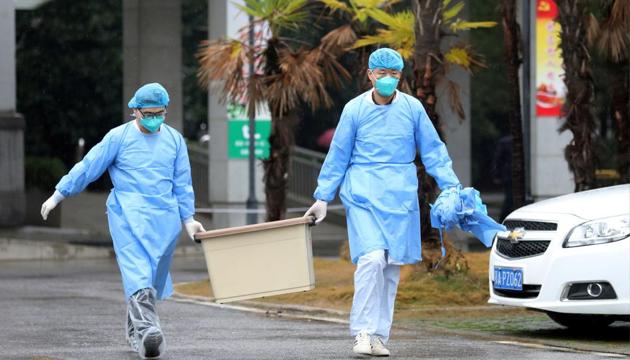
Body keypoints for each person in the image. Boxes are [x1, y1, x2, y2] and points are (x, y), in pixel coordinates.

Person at [305, 48, 461, 357]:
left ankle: (378, 335)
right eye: (382, 73)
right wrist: (323, 196)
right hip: (362, 191)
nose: (387, 79)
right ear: (370, 75)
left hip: (400, 195)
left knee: (390, 268)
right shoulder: (354, 109)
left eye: (394, 74)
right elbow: (338, 155)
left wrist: (451, 186)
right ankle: (362, 331)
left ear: (400, 77)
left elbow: (433, 150)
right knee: (372, 258)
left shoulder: (413, 108)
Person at [40, 83, 206, 359]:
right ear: (135, 111)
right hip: (127, 214)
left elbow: (182, 183)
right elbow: (89, 166)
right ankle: (149, 330)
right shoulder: (118, 137)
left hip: (165, 218)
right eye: (149, 113)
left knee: (151, 278)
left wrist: (188, 219)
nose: (154, 118)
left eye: (160, 113)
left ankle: (136, 333)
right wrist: (60, 193)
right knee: (137, 273)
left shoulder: (175, 140)